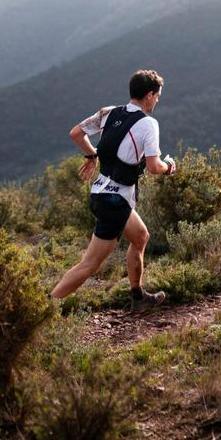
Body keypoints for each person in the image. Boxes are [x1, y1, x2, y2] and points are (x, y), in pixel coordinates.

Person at [51, 69, 176, 311]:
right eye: (158, 96)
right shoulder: (149, 124)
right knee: (89, 264)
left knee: (140, 236)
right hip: (115, 201)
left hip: (101, 192)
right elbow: (153, 167)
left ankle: (138, 297)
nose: (158, 100)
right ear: (149, 95)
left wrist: (91, 155)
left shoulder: (109, 113)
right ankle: (43, 308)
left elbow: (76, 133)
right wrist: (169, 167)